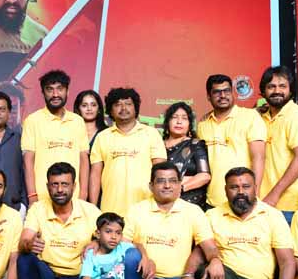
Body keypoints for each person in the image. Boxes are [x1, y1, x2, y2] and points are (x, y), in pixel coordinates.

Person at [123, 162, 221, 279]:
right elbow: (122, 246)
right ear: (151, 186)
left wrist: (214, 260)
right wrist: (145, 256)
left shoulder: (193, 211)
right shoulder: (137, 210)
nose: (167, 185)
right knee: (130, 256)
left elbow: (208, 246)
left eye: (173, 181)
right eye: (161, 181)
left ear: (179, 184)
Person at [200, 167, 295, 279]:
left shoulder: (272, 215)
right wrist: (191, 273)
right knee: (206, 271)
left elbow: (287, 263)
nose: (240, 192)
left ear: (255, 187)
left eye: (246, 186)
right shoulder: (212, 215)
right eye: (234, 187)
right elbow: (199, 252)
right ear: (225, 190)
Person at [18, 162, 101, 279]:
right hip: (49, 278)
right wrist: (29, 244)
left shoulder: (90, 211)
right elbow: (25, 239)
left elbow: (111, 238)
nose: (60, 189)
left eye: (65, 184)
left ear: (74, 186)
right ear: (48, 186)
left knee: (98, 263)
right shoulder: (38, 209)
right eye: (55, 184)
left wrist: (96, 242)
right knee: (24, 258)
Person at [89, 87, 167, 217]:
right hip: (110, 210)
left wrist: (160, 204)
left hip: (146, 209)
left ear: (136, 108)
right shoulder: (102, 137)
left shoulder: (151, 134)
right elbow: (95, 176)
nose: (123, 108)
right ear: (110, 110)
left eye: (128, 104)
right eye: (117, 104)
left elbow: (161, 172)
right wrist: (92, 209)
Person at [197, 74, 266, 209]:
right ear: (209, 96)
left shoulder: (250, 117)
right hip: (212, 201)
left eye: (227, 91)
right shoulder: (203, 125)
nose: (223, 95)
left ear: (233, 93)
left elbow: (259, 158)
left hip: (243, 199)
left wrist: (254, 195)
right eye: (217, 92)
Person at [22, 70, 90, 205]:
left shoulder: (77, 121)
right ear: (43, 93)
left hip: (73, 198)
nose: (55, 94)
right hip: (42, 198)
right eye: (50, 89)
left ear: (67, 91)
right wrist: (32, 195)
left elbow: (83, 160)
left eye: (60, 89)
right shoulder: (32, 120)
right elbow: (27, 161)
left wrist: (83, 194)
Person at [259, 66, 298, 224]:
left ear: (290, 90)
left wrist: (274, 195)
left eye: (282, 86)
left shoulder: (297, 116)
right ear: (263, 91)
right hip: (261, 201)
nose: (277, 91)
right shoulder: (259, 117)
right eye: (271, 86)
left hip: (288, 204)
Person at [162, 101, 211, 211]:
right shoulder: (157, 145)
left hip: (190, 205)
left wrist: (180, 187)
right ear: (167, 122)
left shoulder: (195, 145)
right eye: (174, 117)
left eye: (184, 118)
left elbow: (204, 176)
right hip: (161, 203)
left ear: (189, 124)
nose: (179, 122)